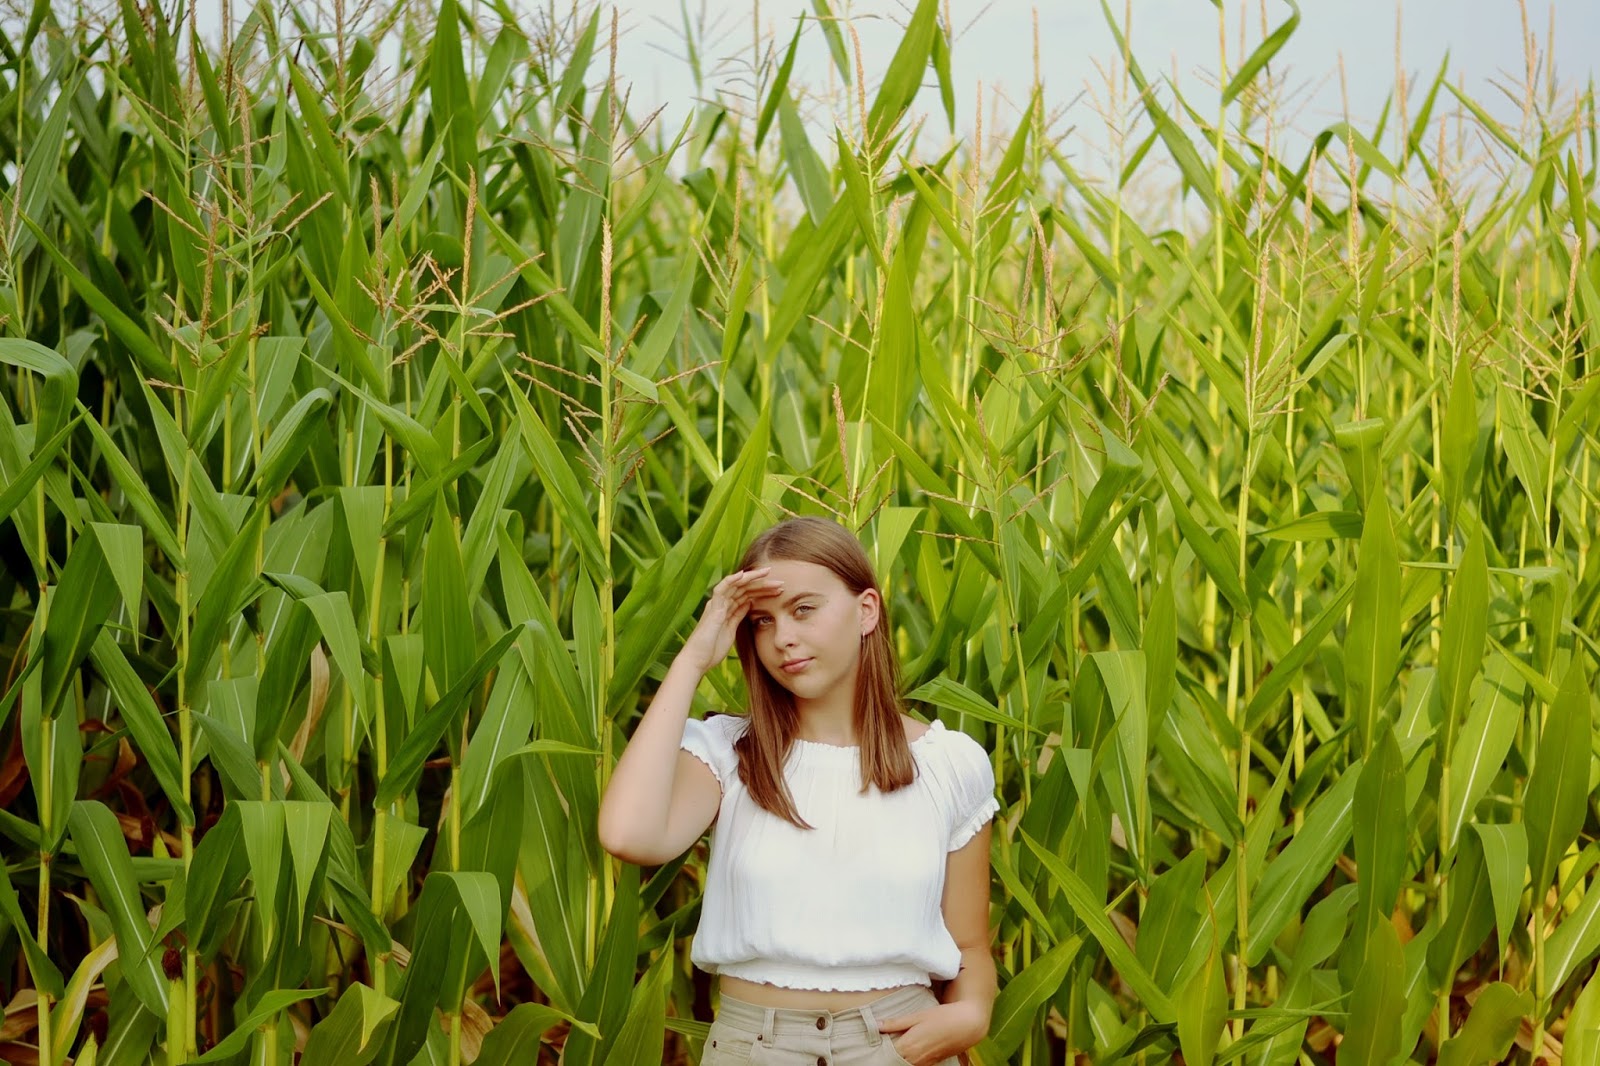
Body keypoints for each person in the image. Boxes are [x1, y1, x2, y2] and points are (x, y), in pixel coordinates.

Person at [598, 516, 999, 1066]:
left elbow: (970, 947)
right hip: (753, 1048)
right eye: (762, 621)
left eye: (804, 609)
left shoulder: (950, 764)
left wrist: (971, 1014)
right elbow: (628, 834)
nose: (782, 637)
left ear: (867, 611)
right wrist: (693, 659)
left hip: (899, 1045)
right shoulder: (729, 752)